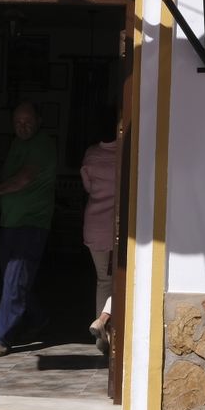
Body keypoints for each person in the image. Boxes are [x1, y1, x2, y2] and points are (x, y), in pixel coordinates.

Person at [0, 102, 58, 357]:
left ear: (39, 120)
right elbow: (6, 174)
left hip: (31, 223)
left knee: (14, 278)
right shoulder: (17, 144)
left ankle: (1, 337)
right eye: (18, 123)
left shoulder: (42, 145)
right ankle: (39, 318)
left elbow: (24, 178)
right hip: (10, 221)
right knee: (14, 279)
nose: (23, 127)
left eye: (28, 122)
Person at [80, 128, 120, 354]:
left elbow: (88, 187)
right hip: (118, 226)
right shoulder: (126, 153)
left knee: (103, 281)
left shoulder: (91, 155)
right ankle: (104, 323)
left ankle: (103, 340)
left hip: (94, 225)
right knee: (121, 281)